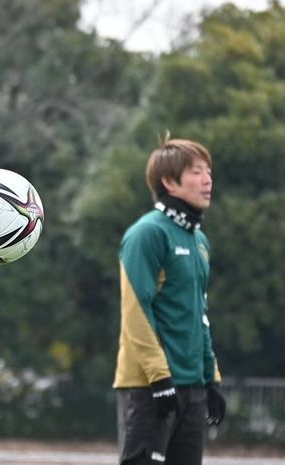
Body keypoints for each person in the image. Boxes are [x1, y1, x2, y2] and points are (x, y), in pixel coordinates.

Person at [113, 136, 227, 465]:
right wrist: (160, 378)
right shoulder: (147, 233)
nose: (207, 180)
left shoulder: (199, 240)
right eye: (196, 172)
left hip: (192, 386)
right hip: (150, 386)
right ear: (169, 181)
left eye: (209, 171)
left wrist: (212, 378)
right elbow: (136, 311)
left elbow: (199, 315)